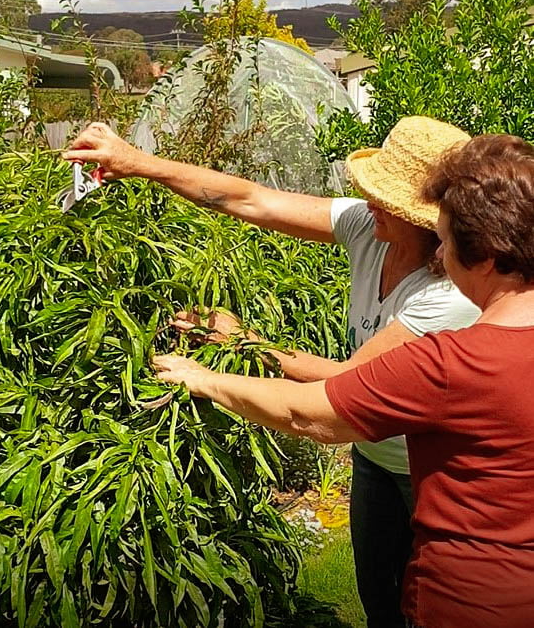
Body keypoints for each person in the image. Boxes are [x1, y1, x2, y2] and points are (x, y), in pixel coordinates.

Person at [65, 116, 479, 628]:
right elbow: (251, 199)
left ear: (421, 219)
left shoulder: (448, 295)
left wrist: (244, 344)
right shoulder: (371, 231)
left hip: (430, 467)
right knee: (378, 593)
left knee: (426, 604)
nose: (368, 200)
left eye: (384, 198)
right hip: (374, 453)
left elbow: (351, 384)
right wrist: (136, 163)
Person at [153, 133, 534, 628]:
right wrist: (141, 163)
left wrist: (202, 377)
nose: (441, 253)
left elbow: (311, 411)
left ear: (484, 257)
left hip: (465, 600)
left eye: (447, 240)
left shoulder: (452, 360)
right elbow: (254, 199)